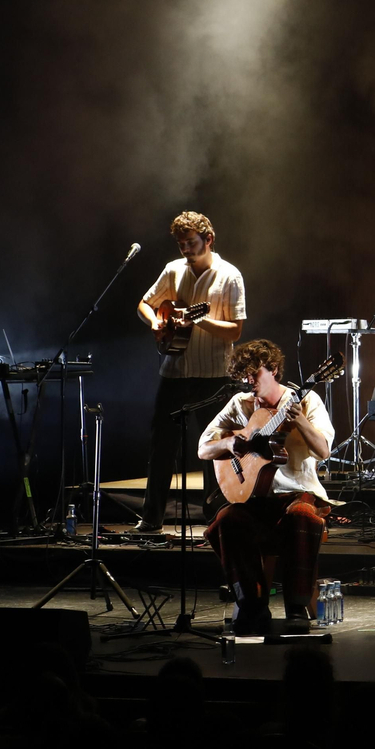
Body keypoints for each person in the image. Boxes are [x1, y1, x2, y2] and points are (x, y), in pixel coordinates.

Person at [198, 339, 335, 635]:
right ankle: (252, 604)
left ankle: (296, 606)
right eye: (244, 375)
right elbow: (203, 449)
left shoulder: (306, 401)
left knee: (302, 515)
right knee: (226, 520)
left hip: (297, 494)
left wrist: (301, 422)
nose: (248, 381)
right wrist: (228, 442)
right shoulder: (240, 404)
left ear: (273, 369)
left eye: (254, 373)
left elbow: (324, 450)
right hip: (255, 501)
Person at [134, 211, 246, 534]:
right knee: (161, 447)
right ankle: (151, 517)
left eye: (192, 243)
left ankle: (217, 520)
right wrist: (156, 322)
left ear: (208, 240)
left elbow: (236, 332)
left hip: (214, 377)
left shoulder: (230, 277)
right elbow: (143, 303)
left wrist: (199, 321)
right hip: (174, 371)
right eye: (181, 244)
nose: (186, 249)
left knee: (215, 450)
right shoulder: (172, 271)